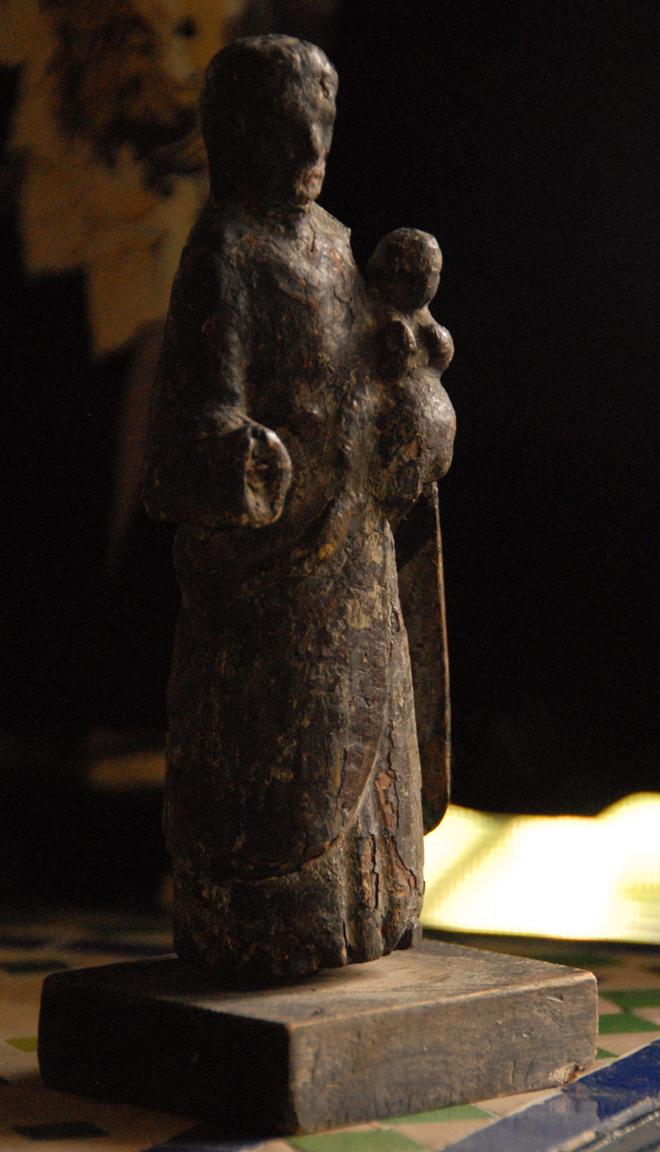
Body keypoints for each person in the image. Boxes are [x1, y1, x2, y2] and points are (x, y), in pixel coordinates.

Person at [143, 34, 456, 978]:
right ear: (238, 134)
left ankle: (374, 904)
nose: (312, 147)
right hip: (274, 578)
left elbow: (372, 372)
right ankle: (272, 917)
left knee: (368, 731)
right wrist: (238, 457)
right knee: (284, 758)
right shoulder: (226, 255)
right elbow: (188, 429)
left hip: (354, 546)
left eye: (322, 124)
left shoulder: (337, 244)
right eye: (288, 127)